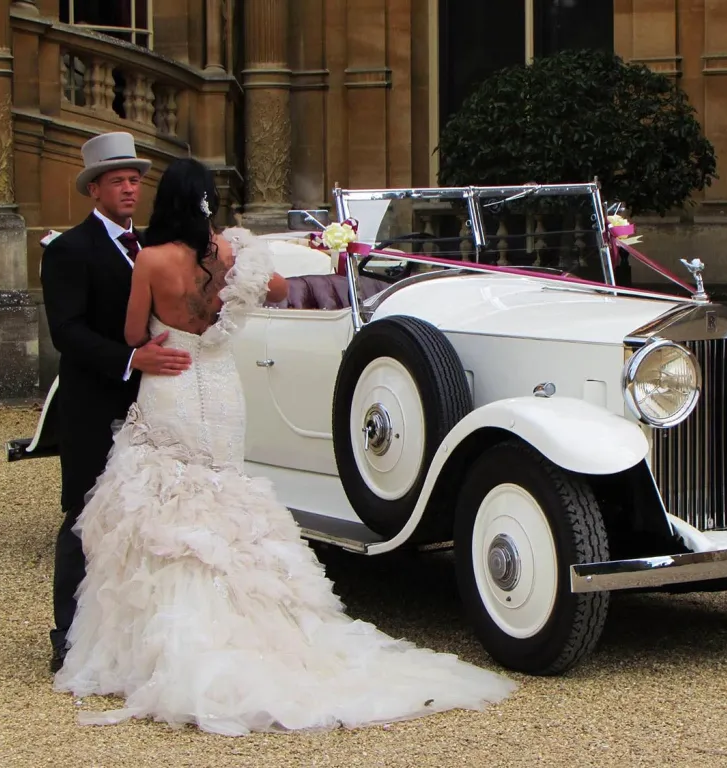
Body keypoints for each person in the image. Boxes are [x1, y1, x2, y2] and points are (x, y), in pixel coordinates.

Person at [52, 158, 517, 735]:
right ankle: (259, 626)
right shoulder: (229, 255)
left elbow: (129, 336)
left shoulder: (150, 259)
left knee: (170, 503)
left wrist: (157, 334)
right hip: (221, 392)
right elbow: (275, 289)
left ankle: (169, 639)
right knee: (224, 491)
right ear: (206, 204)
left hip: (170, 383)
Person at [41, 132, 194, 674]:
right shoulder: (68, 250)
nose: (130, 188)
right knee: (85, 514)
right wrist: (131, 361)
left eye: (135, 180)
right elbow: (68, 332)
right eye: (118, 181)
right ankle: (67, 635)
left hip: (155, 405)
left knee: (145, 516)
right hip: (91, 403)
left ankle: (131, 638)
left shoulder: (154, 246)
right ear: (94, 189)